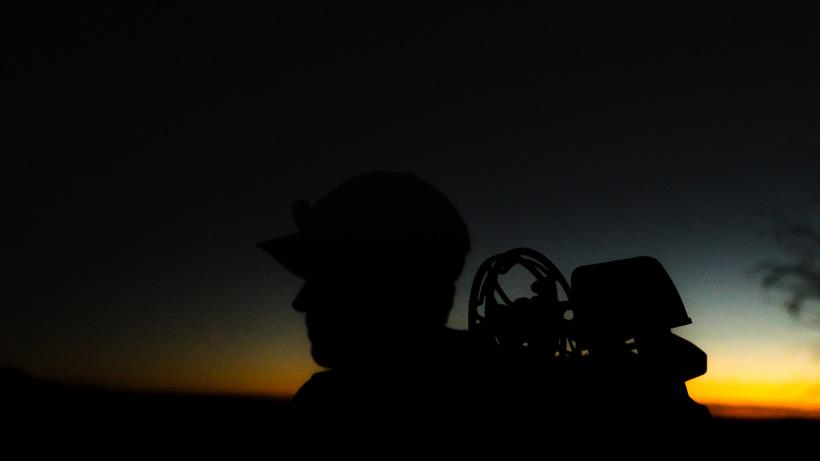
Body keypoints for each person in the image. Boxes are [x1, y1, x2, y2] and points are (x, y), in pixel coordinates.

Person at [258, 171, 489, 444]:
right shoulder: (492, 382)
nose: (301, 302)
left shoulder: (326, 408)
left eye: (331, 280)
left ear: (394, 290)